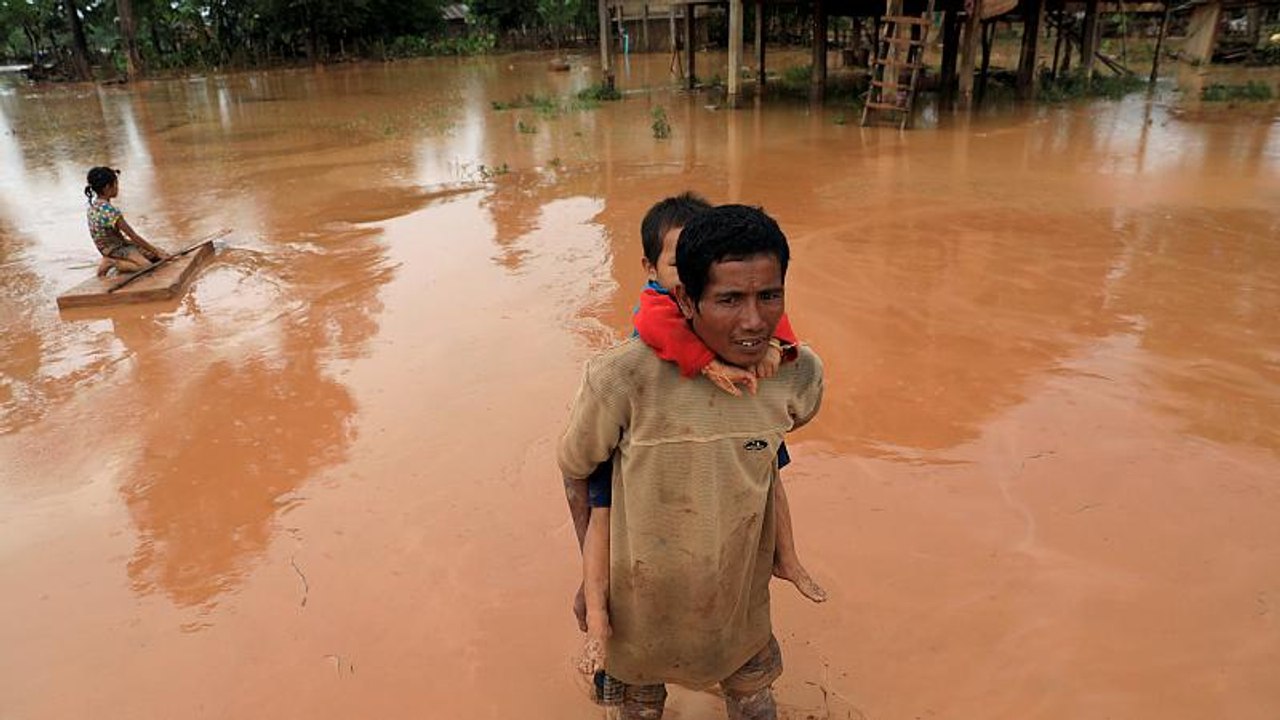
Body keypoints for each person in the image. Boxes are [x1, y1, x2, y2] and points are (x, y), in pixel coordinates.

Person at [560, 204, 824, 719]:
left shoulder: (795, 373)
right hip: (640, 604)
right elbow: (576, 471)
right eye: (728, 300)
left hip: (737, 600)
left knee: (753, 699)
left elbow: (774, 455)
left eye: (769, 296)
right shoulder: (619, 379)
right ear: (684, 297)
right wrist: (593, 583)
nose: (753, 321)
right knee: (639, 705)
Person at [84, 166, 170, 277]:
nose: (117, 188)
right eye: (115, 184)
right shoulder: (110, 211)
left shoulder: (93, 207)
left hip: (110, 247)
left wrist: (155, 252)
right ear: (107, 187)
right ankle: (112, 262)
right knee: (147, 267)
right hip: (116, 249)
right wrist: (157, 252)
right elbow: (133, 235)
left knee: (155, 257)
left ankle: (119, 260)